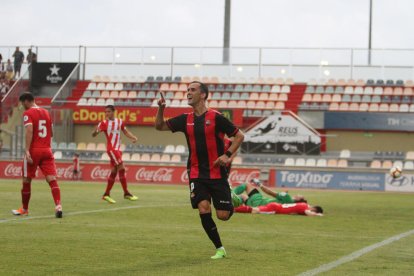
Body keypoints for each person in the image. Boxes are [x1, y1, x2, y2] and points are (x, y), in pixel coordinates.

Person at [155, 81, 245, 259]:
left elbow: (239, 136)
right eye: (187, 90)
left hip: (217, 173)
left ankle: (232, 198)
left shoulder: (217, 117)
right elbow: (159, 126)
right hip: (196, 173)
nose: (188, 93)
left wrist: (227, 155)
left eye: (192, 90)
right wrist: (161, 109)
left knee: (223, 215)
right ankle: (219, 248)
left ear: (203, 95)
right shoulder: (184, 119)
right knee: (203, 208)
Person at [12, 92, 63, 218]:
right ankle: (58, 205)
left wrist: (27, 150)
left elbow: (29, 130)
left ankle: (24, 209)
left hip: (34, 150)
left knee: (26, 180)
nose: (22, 106)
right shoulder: (46, 112)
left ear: (26, 101)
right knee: (52, 179)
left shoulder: (28, 113)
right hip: (47, 150)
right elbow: (51, 133)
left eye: (22, 103)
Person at [92, 105, 138, 203]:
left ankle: (106, 194)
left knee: (114, 171)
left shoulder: (119, 121)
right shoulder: (104, 123)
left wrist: (133, 137)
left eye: (108, 111)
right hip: (112, 149)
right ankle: (126, 193)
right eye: (106, 112)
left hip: (118, 149)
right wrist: (96, 131)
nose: (107, 113)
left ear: (113, 112)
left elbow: (125, 131)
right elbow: (93, 135)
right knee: (122, 168)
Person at [233, 178, 307, 207]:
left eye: (301, 196)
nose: (299, 194)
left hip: (260, 202)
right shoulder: (290, 203)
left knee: (247, 185)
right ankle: (233, 204)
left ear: (298, 199)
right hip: (257, 206)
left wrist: (259, 184)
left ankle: (231, 194)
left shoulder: (288, 197)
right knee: (243, 196)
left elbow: (269, 192)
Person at [235, 202, 324, 216]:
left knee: (255, 209)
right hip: (276, 209)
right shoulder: (305, 207)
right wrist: (317, 214)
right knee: (254, 211)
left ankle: (236, 208)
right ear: (314, 209)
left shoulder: (304, 204)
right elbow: (308, 213)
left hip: (276, 205)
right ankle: (234, 209)